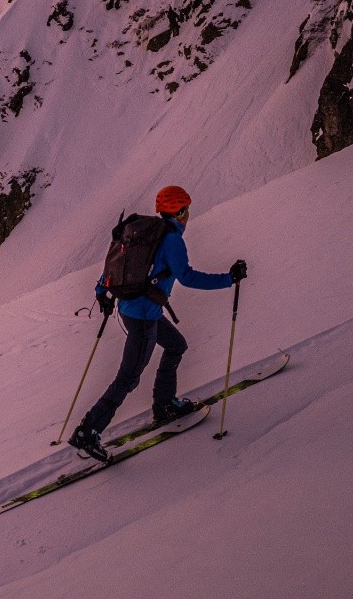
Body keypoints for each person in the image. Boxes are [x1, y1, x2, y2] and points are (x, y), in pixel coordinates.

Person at [67, 185, 247, 462]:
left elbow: (115, 264)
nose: (188, 215)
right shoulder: (171, 238)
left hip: (133, 309)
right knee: (128, 377)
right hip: (143, 317)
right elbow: (187, 277)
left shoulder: (141, 231)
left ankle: (164, 405)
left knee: (176, 345)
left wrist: (101, 294)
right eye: (187, 209)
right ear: (181, 211)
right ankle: (88, 430)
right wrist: (228, 279)